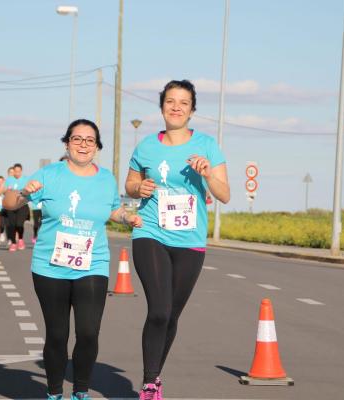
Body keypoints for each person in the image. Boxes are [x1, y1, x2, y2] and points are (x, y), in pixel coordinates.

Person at [3, 119, 142, 400]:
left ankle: (80, 391)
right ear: (66, 143)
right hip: (50, 266)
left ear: (97, 147)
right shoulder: (49, 174)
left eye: (89, 140)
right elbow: (9, 204)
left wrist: (126, 217)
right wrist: (23, 194)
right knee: (57, 335)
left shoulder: (105, 178)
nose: (83, 145)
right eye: (77, 139)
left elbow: (113, 210)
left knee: (89, 332)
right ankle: (54, 392)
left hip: (92, 264)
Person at [124, 80, 230, 400]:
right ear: (162, 107)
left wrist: (209, 173)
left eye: (184, 102)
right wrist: (137, 189)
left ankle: (155, 376)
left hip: (190, 240)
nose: (176, 107)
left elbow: (224, 194)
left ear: (192, 110)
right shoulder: (145, 146)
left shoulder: (208, 145)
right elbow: (130, 183)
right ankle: (149, 382)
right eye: (170, 101)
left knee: (171, 314)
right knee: (158, 310)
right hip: (150, 232)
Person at [0, 163, 30, 251]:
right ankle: (13, 243)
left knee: (19, 224)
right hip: (11, 206)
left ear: (21, 171)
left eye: (19, 171)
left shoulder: (26, 179)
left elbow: (29, 190)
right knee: (11, 225)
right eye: (16, 171)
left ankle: (20, 239)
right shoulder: (9, 180)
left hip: (22, 205)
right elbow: (3, 190)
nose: (17, 173)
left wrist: (22, 193)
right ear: (14, 171)